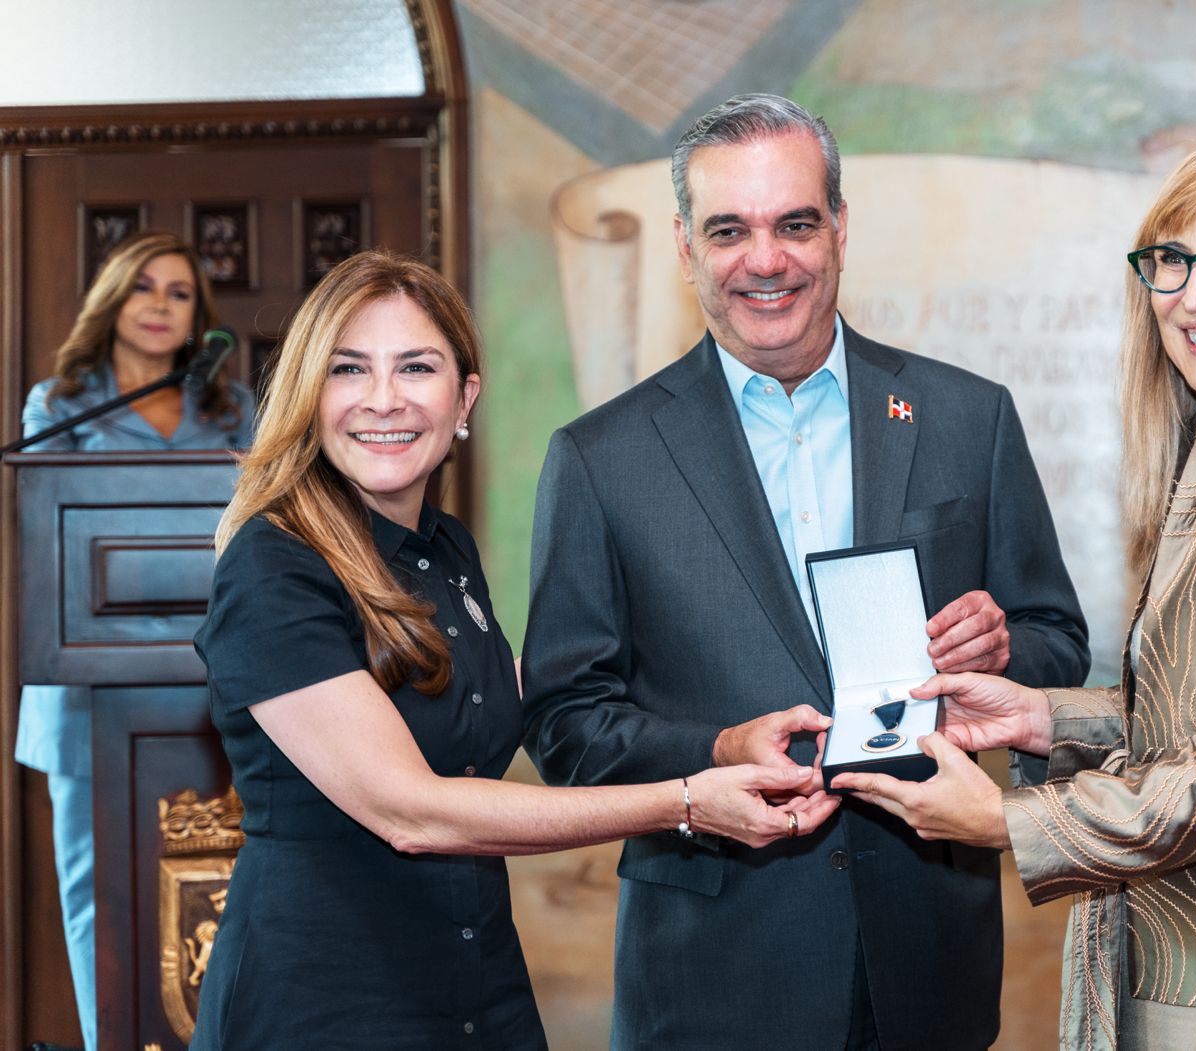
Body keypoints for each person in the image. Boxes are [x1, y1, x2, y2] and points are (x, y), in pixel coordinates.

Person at [521, 93, 1090, 1050]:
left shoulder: (965, 417)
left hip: (927, 964)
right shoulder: (599, 458)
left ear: (838, 227)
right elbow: (564, 726)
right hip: (711, 971)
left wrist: (1002, 647)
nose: (767, 260)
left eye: (795, 223)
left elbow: (1056, 644)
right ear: (684, 244)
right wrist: (715, 749)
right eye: (729, 229)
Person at [836, 137, 1196, 1050]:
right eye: (1170, 263)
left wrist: (1009, 818)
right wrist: (1043, 718)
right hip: (1184, 954)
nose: (1195, 294)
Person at [189, 250, 836, 1048]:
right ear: (309, 393)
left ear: (464, 397)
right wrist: (688, 799)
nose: (383, 399)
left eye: (416, 367)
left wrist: (723, 737)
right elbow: (411, 810)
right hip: (326, 1004)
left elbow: (521, 692)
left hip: (477, 992)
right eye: (349, 369)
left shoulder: (444, 547)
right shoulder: (273, 563)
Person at [14, 231, 254, 1050]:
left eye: (179, 292)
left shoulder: (234, 409)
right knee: (102, 894)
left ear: (198, 317)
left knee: (223, 882)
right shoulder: (59, 403)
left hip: (208, 680)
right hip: (90, 685)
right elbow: (45, 530)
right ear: (111, 299)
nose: (159, 303)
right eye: (144, 286)